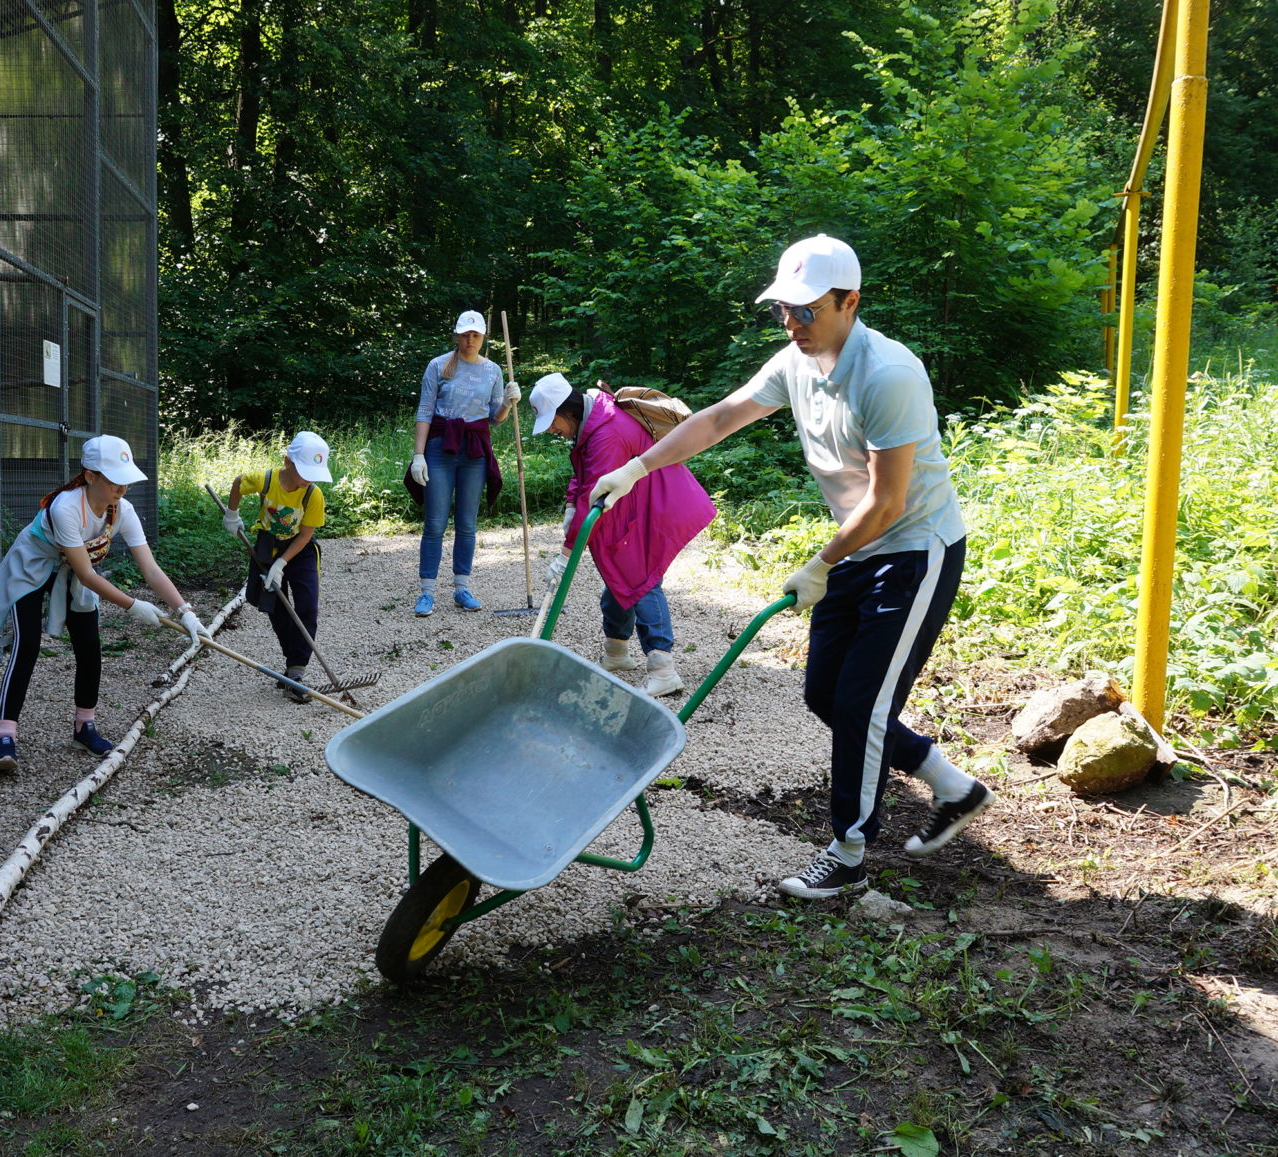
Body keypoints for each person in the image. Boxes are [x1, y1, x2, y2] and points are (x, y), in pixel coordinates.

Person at [591, 234, 993, 899]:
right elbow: (721, 418)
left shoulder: (887, 375)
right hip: (853, 548)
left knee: (861, 706)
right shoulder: (796, 362)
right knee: (823, 695)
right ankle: (951, 785)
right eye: (783, 309)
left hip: (913, 552)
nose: (792, 323)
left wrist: (818, 564)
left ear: (849, 302)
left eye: (806, 310)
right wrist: (637, 467)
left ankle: (847, 855)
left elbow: (888, 500)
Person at [0, 435, 204, 775]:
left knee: (90, 648)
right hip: (33, 567)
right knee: (27, 646)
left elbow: (151, 569)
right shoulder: (66, 507)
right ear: (90, 475)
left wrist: (184, 610)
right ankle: (5, 738)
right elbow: (86, 573)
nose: (123, 485)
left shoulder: (122, 511)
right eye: (114, 476)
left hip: (70, 572)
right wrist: (133, 606)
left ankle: (84, 727)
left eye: (125, 475)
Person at [531, 373, 715, 697]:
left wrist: (565, 554)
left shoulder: (607, 432)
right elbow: (584, 473)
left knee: (641, 580)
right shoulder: (593, 420)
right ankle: (616, 653)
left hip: (656, 505)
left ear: (567, 410)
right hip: (635, 503)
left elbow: (594, 490)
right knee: (619, 578)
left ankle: (663, 669)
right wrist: (571, 505)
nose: (550, 429)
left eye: (551, 421)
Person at [405, 310, 521, 615]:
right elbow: (425, 410)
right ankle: (427, 592)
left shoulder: (493, 370)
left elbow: (495, 418)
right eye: (465, 334)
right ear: (456, 335)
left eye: (476, 335)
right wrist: (418, 455)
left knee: (467, 524)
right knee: (435, 523)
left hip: (474, 450)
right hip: (440, 448)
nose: (470, 340)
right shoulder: (438, 365)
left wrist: (508, 403)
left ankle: (462, 588)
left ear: (483, 338)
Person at [221, 430, 333, 703]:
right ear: (287, 462)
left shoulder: (313, 495)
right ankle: (292, 665)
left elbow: (306, 534)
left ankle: (297, 669)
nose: (308, 480)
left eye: (313, 474)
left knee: (307, 606)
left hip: (301, 551)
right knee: (275, 605)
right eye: (304, 472)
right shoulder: (267, 479)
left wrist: (283, 563)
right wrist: (232, 514)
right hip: (266, 548)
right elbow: (238, 483)